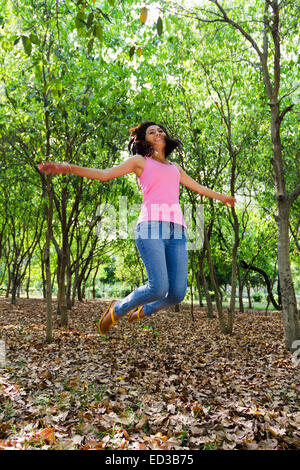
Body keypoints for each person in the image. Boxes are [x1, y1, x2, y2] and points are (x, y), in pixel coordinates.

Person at [38, 121, 236, 335]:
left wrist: (222, 197)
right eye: (152, 132)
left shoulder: (175, 168)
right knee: (158, 287)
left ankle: (144, 311)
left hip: (177, 231)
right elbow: (105, 174)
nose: (158, 133)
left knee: (177, 294)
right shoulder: (140, 161)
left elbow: (199, 187)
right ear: (143, 139)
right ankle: (118, 309)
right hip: (150, 227)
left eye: (161, 130)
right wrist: (70, 168)